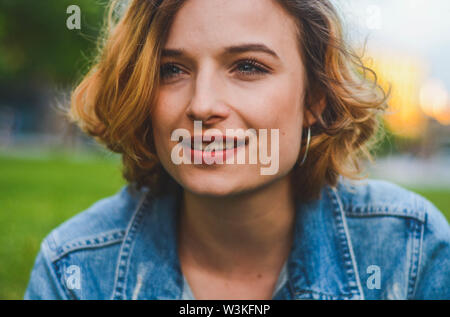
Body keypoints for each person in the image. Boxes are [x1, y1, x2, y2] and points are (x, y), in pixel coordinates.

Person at [25, 0, 449, 300]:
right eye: (172, 70)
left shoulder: (409, 249)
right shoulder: (75, 268)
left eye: (248, 66)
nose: (202, 105)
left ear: (315, 98)